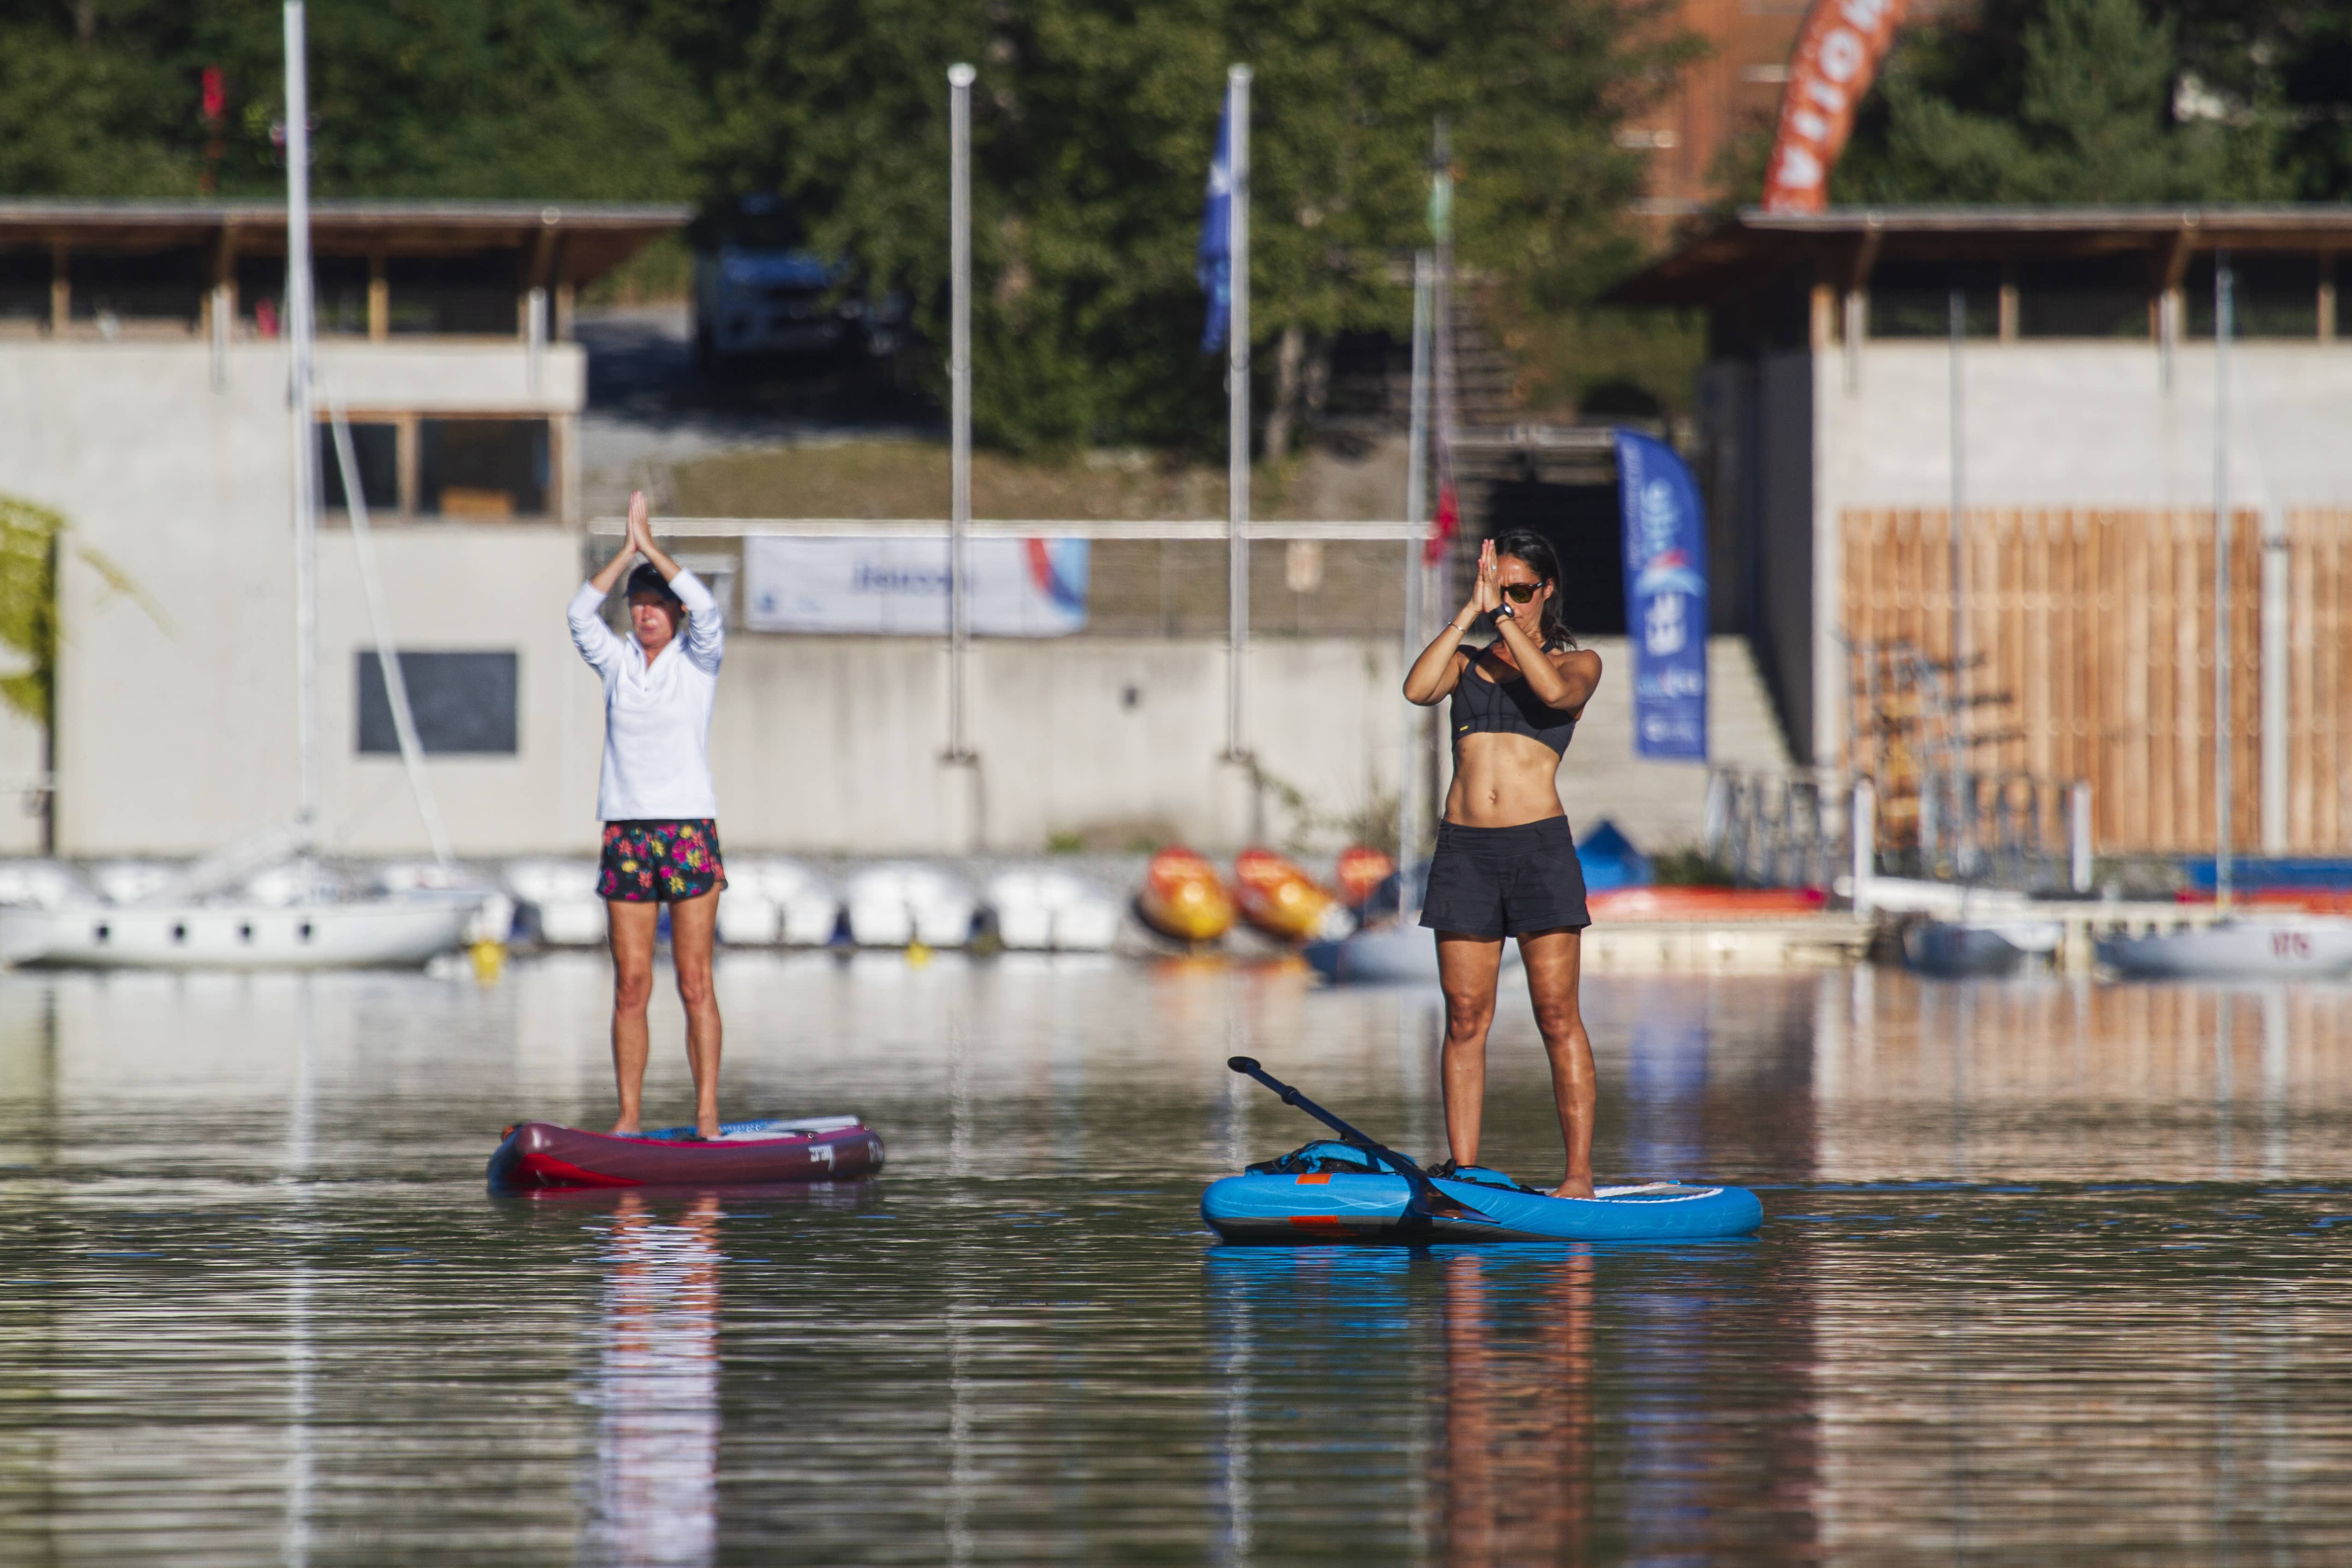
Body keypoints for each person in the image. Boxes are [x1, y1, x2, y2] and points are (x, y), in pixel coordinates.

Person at [1402, 531, 1605, 1199]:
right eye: (1503, 590)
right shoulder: (1469, 663)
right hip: (1466, 852)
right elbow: (1416, 689)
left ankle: (1577, 1174)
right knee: (1464, 1016)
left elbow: (1551, 693)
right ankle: (1463, 1171)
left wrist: (1505, 622)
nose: (1510, 604)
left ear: (1546, 591)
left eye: (1521, 592)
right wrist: (1470, 614)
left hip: (1538, 850)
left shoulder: (1579, 665)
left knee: (1556, 1015)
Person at [568, 492, 728, 1139]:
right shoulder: (616, 664)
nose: (645, 616)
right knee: (631, 985)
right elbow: (580, 614)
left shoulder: (699, 662)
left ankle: (707, 1114)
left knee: (694, 982)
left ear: (675, 612)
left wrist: (656, 549)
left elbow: (711, 609)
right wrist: (626, 553)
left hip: (688, 831)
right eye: (637, 606)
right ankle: (629, 1119)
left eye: (657, 605)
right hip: (627, 834)